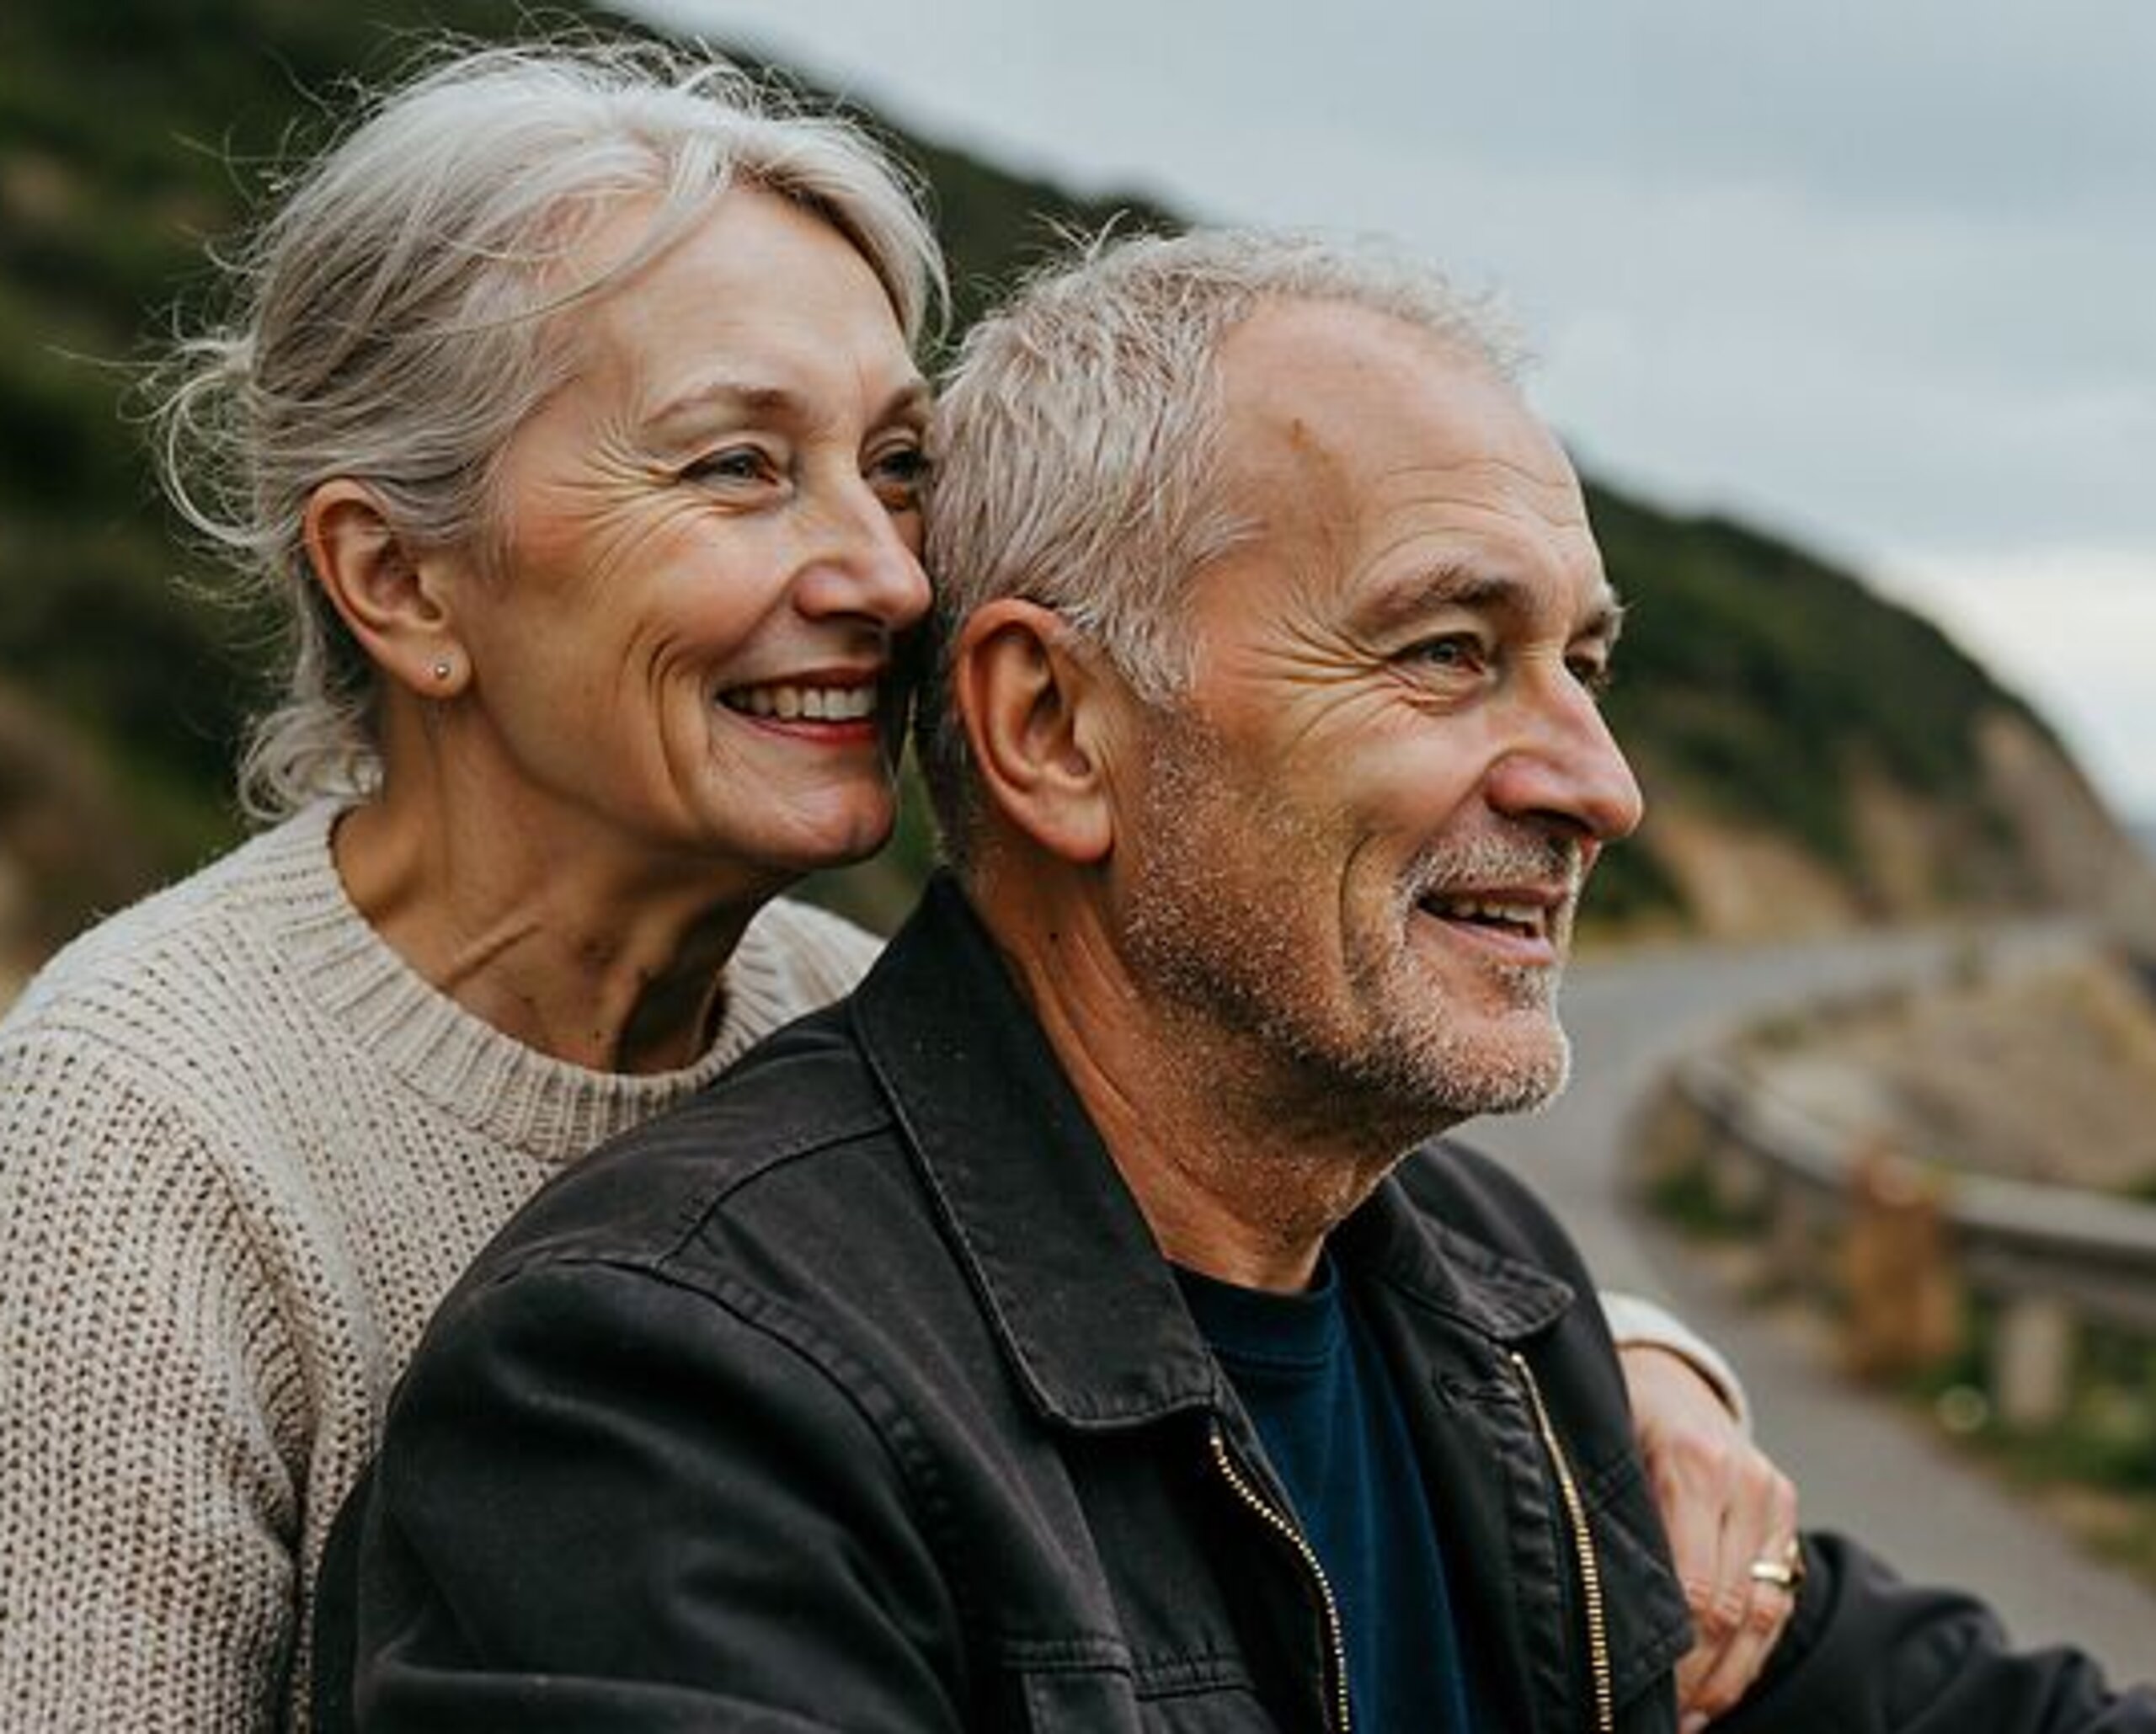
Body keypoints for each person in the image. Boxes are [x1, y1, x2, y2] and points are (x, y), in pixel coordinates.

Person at [0, 40, 1780, 1734]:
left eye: (895, 466)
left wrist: (1623, 1368)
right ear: (397, 580)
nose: (884, 574)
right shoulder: (133, 1138)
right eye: (736, 466)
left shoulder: (820, 992)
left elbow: (1221, 1216)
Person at [322, 228, 2156, 1731]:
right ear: (1054, 728)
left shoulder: (1490, 1296)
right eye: (1446, 652)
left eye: (1581, 666)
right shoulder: (672, 1399)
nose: (1597, 786)